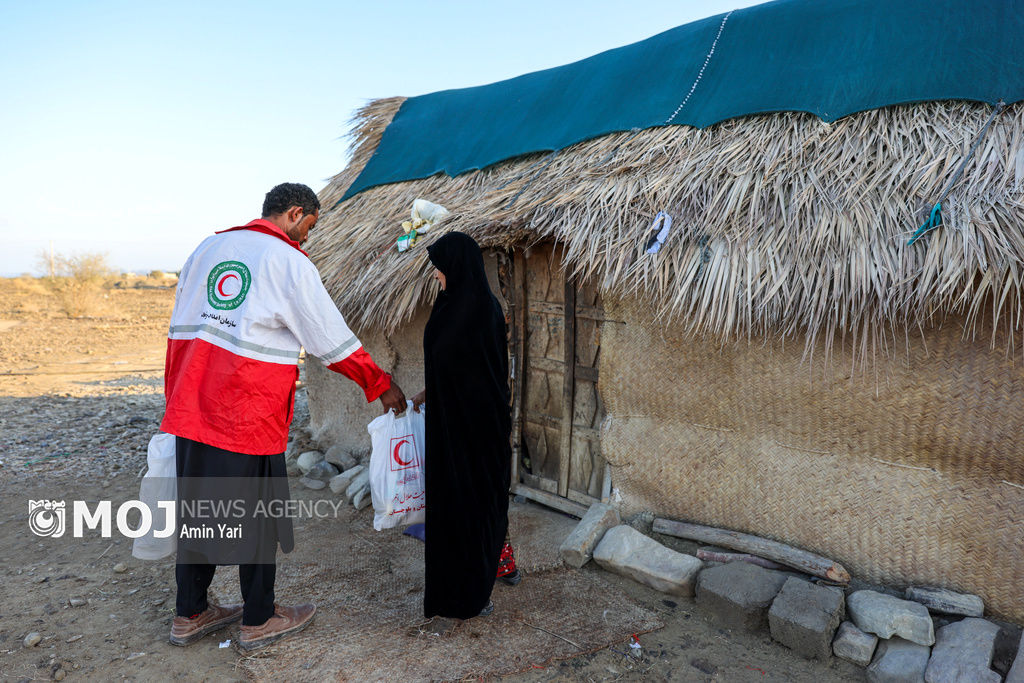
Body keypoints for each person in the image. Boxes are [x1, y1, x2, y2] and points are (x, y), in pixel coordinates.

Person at [161, 183, 406, 650]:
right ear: (295, 213)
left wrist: (177, 401)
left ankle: (189, 612)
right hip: (246, 412)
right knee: (259, 516)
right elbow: (329, 338)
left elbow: (179, 330)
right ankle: (259, 618)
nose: (308, 237)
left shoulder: (207, 249)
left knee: (198, 510)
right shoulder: (287, 262)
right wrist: (378, 382)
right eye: (309, 225)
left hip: (192, 407)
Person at [410, 231, 514, 627]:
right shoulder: (450, 307)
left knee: (477, 509)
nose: (437, 275)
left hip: (479, 431)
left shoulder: (482, 311)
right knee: (451, 512)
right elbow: (449, 367)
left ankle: (475, 592)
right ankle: (454, 591)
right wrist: (428, 393)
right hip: (448, 432)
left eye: (440, 268)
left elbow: (484, 373)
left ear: (457, 266)